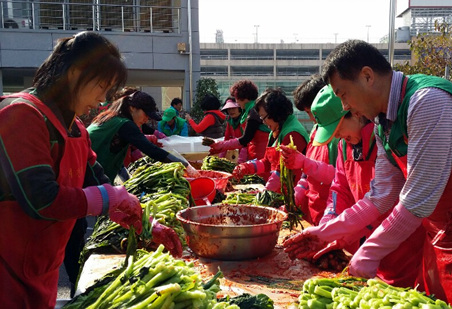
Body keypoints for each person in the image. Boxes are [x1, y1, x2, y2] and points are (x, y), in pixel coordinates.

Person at [283, 40, 452, 308]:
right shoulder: (383, 125)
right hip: (439, 239)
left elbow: (417, 200)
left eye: (343, 94)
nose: (343, 105)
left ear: (367, 76)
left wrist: (369, 252)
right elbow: (381, 197)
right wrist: (326, 232)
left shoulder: (428, 101)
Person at [0, 31, 173, 308]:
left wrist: (144, 222)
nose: (103, 100)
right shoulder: (20, 114)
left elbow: (99, 178)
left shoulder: (76, 128)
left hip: (41, 269)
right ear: (75, 72)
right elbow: (40, 198)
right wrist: (108, 200)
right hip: (7, 274)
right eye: (102, 87)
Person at [309, 91, 423, 288]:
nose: (337, 137)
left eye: (338, 130)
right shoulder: (345, 147)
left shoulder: (385, 141)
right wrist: (328, 223)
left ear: (354, 112)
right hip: (367, 245)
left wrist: (349, 233)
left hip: (404, 243)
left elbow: (393, 197)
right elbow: (339, 189)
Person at [87, 90, 199, 182]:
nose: (146, 120)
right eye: (146, 114)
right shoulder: (125, 124)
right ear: (132, 108)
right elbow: (150, 150)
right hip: (90, 176)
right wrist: (185, 165)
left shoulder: (113, 118)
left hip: (92, 174)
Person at [279, 80, 340, 225]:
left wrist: (304, 163)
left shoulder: (339, 136)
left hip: (333, 213)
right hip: (314, 209)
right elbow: (306, 175)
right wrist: (295, 198)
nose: (311, 118)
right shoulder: (315, 131)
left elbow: (340, 178)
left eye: (310, 112)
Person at [232, 88, 309, 192]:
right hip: (281, 190)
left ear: (275, 113)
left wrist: (265, 192)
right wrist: (247, 167)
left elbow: (281, 170)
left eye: (264, 117)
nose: (263, 122)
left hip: (294, 193)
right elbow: (267, 162)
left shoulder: (293, 133)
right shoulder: (276, 129)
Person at [208, 80, 270, 162]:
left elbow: (245, 139)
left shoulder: (253, 111)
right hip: (255, 154)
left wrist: (221, 145)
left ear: (243, 97)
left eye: (236, 98)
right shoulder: (250, 110)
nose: (236, 101)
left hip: (262, 154)